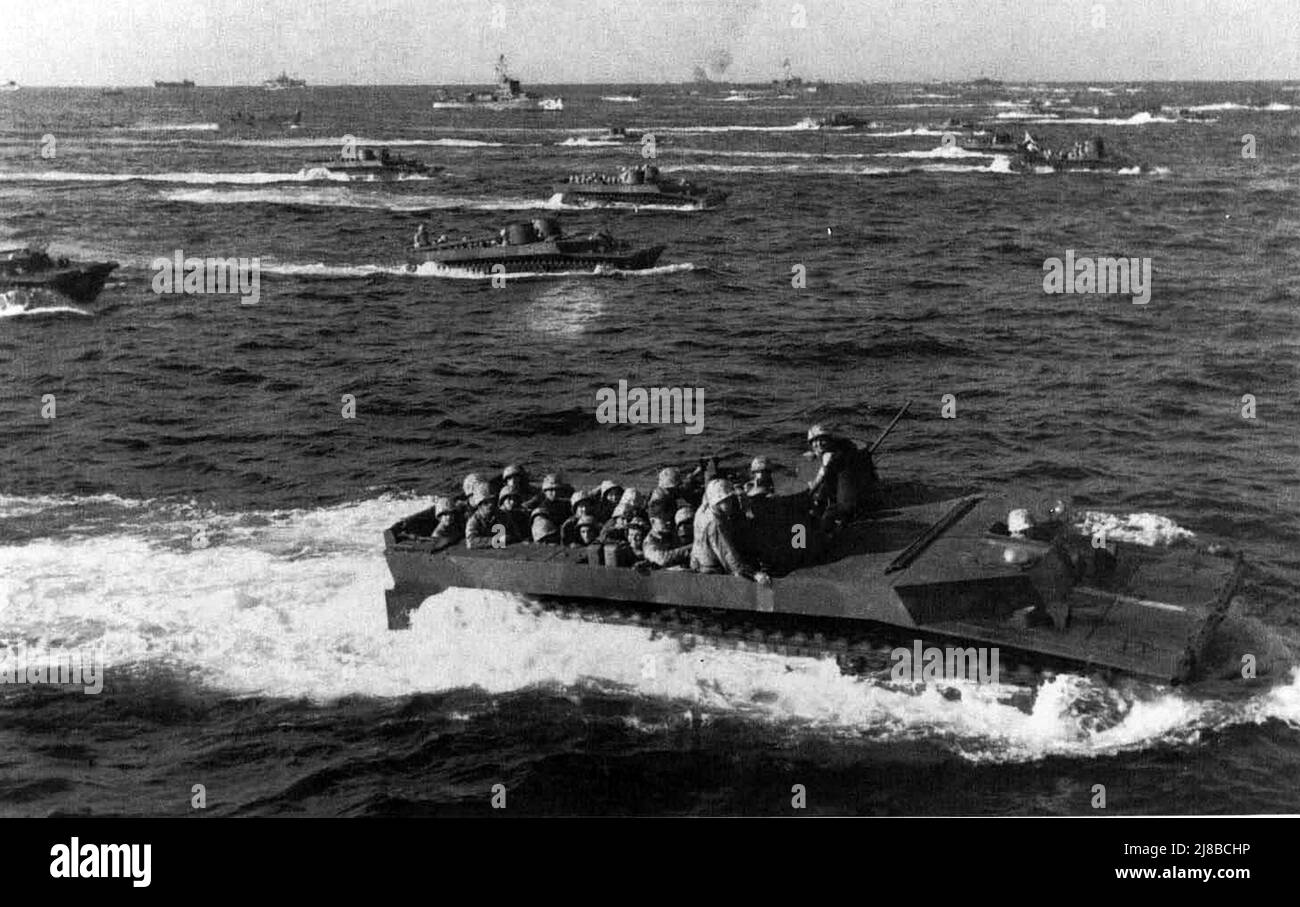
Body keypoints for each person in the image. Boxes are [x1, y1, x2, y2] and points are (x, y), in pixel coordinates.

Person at [690, 478, 770, 584]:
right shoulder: (715, 523)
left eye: (730, 499)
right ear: (718, 501)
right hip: (711, 571)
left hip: (697, 561)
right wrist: (754, 574)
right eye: (726, 500)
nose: (730, 503)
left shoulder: (703, 509)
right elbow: (728, 554)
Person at [807, 423, 878, 532]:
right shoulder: (841, 450)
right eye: (815, 441)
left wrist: (810, 492)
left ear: (830, 440)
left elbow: (821, 476)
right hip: (850, 488)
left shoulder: (831, 456)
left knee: (834, 513)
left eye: (822, 440)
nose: (819, 444)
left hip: (849, 501)